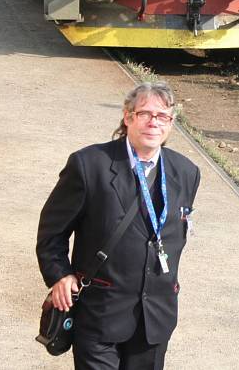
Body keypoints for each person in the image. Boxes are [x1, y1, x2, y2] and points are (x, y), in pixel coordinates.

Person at [37, 82, 201, 369]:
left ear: (171, 123)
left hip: (155, 317)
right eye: (145, 114)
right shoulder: (90, 165)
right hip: (100, 312)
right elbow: (52, 231)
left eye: (162, 116)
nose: (154, 122)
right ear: (128, 117)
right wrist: (60, 275)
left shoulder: (186, 172)